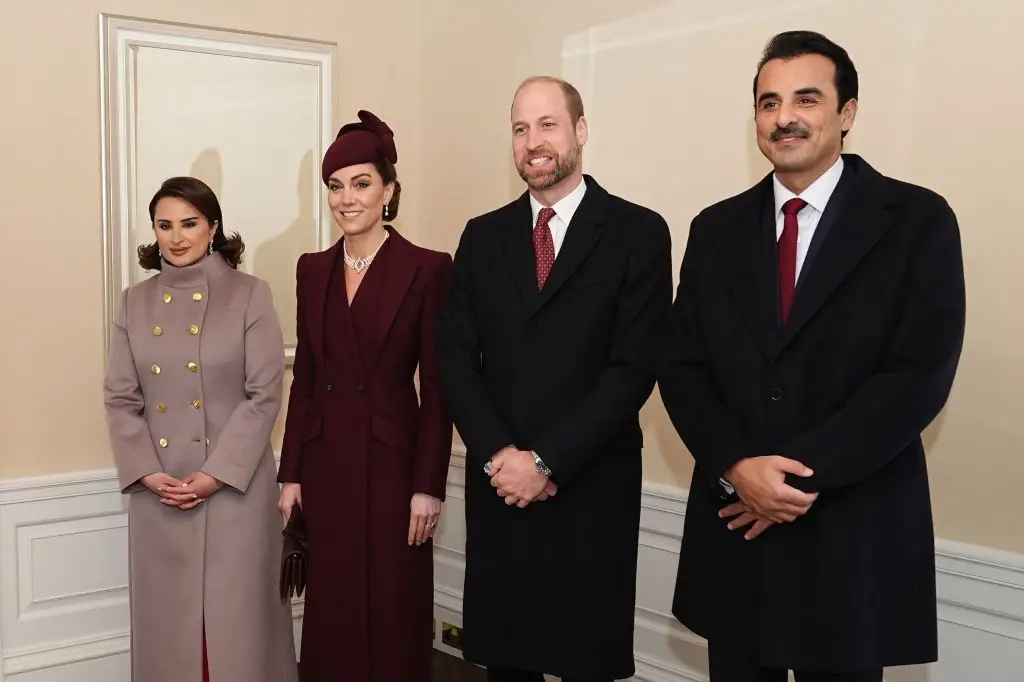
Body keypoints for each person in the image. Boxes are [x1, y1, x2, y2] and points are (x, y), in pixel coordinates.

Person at [657, 30, 966, 682]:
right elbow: (683, 366)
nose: (784, 117)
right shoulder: (714, 230)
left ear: (846, 112)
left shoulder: (916, 220)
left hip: (850, 531)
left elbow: (918, 375)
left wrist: (795, 478)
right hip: (737, 527)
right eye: (768, 103)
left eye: (805, 98)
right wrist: (737, 466)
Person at [436, 76, 673, 682]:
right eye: (520, 128)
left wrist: (546, 461)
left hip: (589, 487)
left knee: (584, 662)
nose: (533, 141)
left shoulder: (638, 232)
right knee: (508, 664)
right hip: (501, 488)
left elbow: (634, 367)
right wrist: (502, 457)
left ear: (581, 131)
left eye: (547, 124)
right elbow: (456, 360)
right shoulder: (482, 236)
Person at [276, 110, 454, 682]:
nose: (346, 199)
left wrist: (428, 486)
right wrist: (291, 472)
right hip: (327, 468)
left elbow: (439, 388)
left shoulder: (427, 269)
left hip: (394, 473)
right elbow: (305, 376)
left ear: (389, 190)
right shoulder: (312, 270)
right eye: (335, 185)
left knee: (392, 612)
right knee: (334, 614)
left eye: (361, 184)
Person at [103, 176, 298, 682]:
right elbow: (121, 398)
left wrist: (216, 474)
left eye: (189, 223)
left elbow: (263, 396)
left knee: (238, 636)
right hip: (160, 496)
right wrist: (147, 473)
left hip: (235, 492)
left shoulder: (251, 294)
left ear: (213, 227)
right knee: (170, 637)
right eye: (164, 225)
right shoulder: (133, 302)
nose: (176, 236)